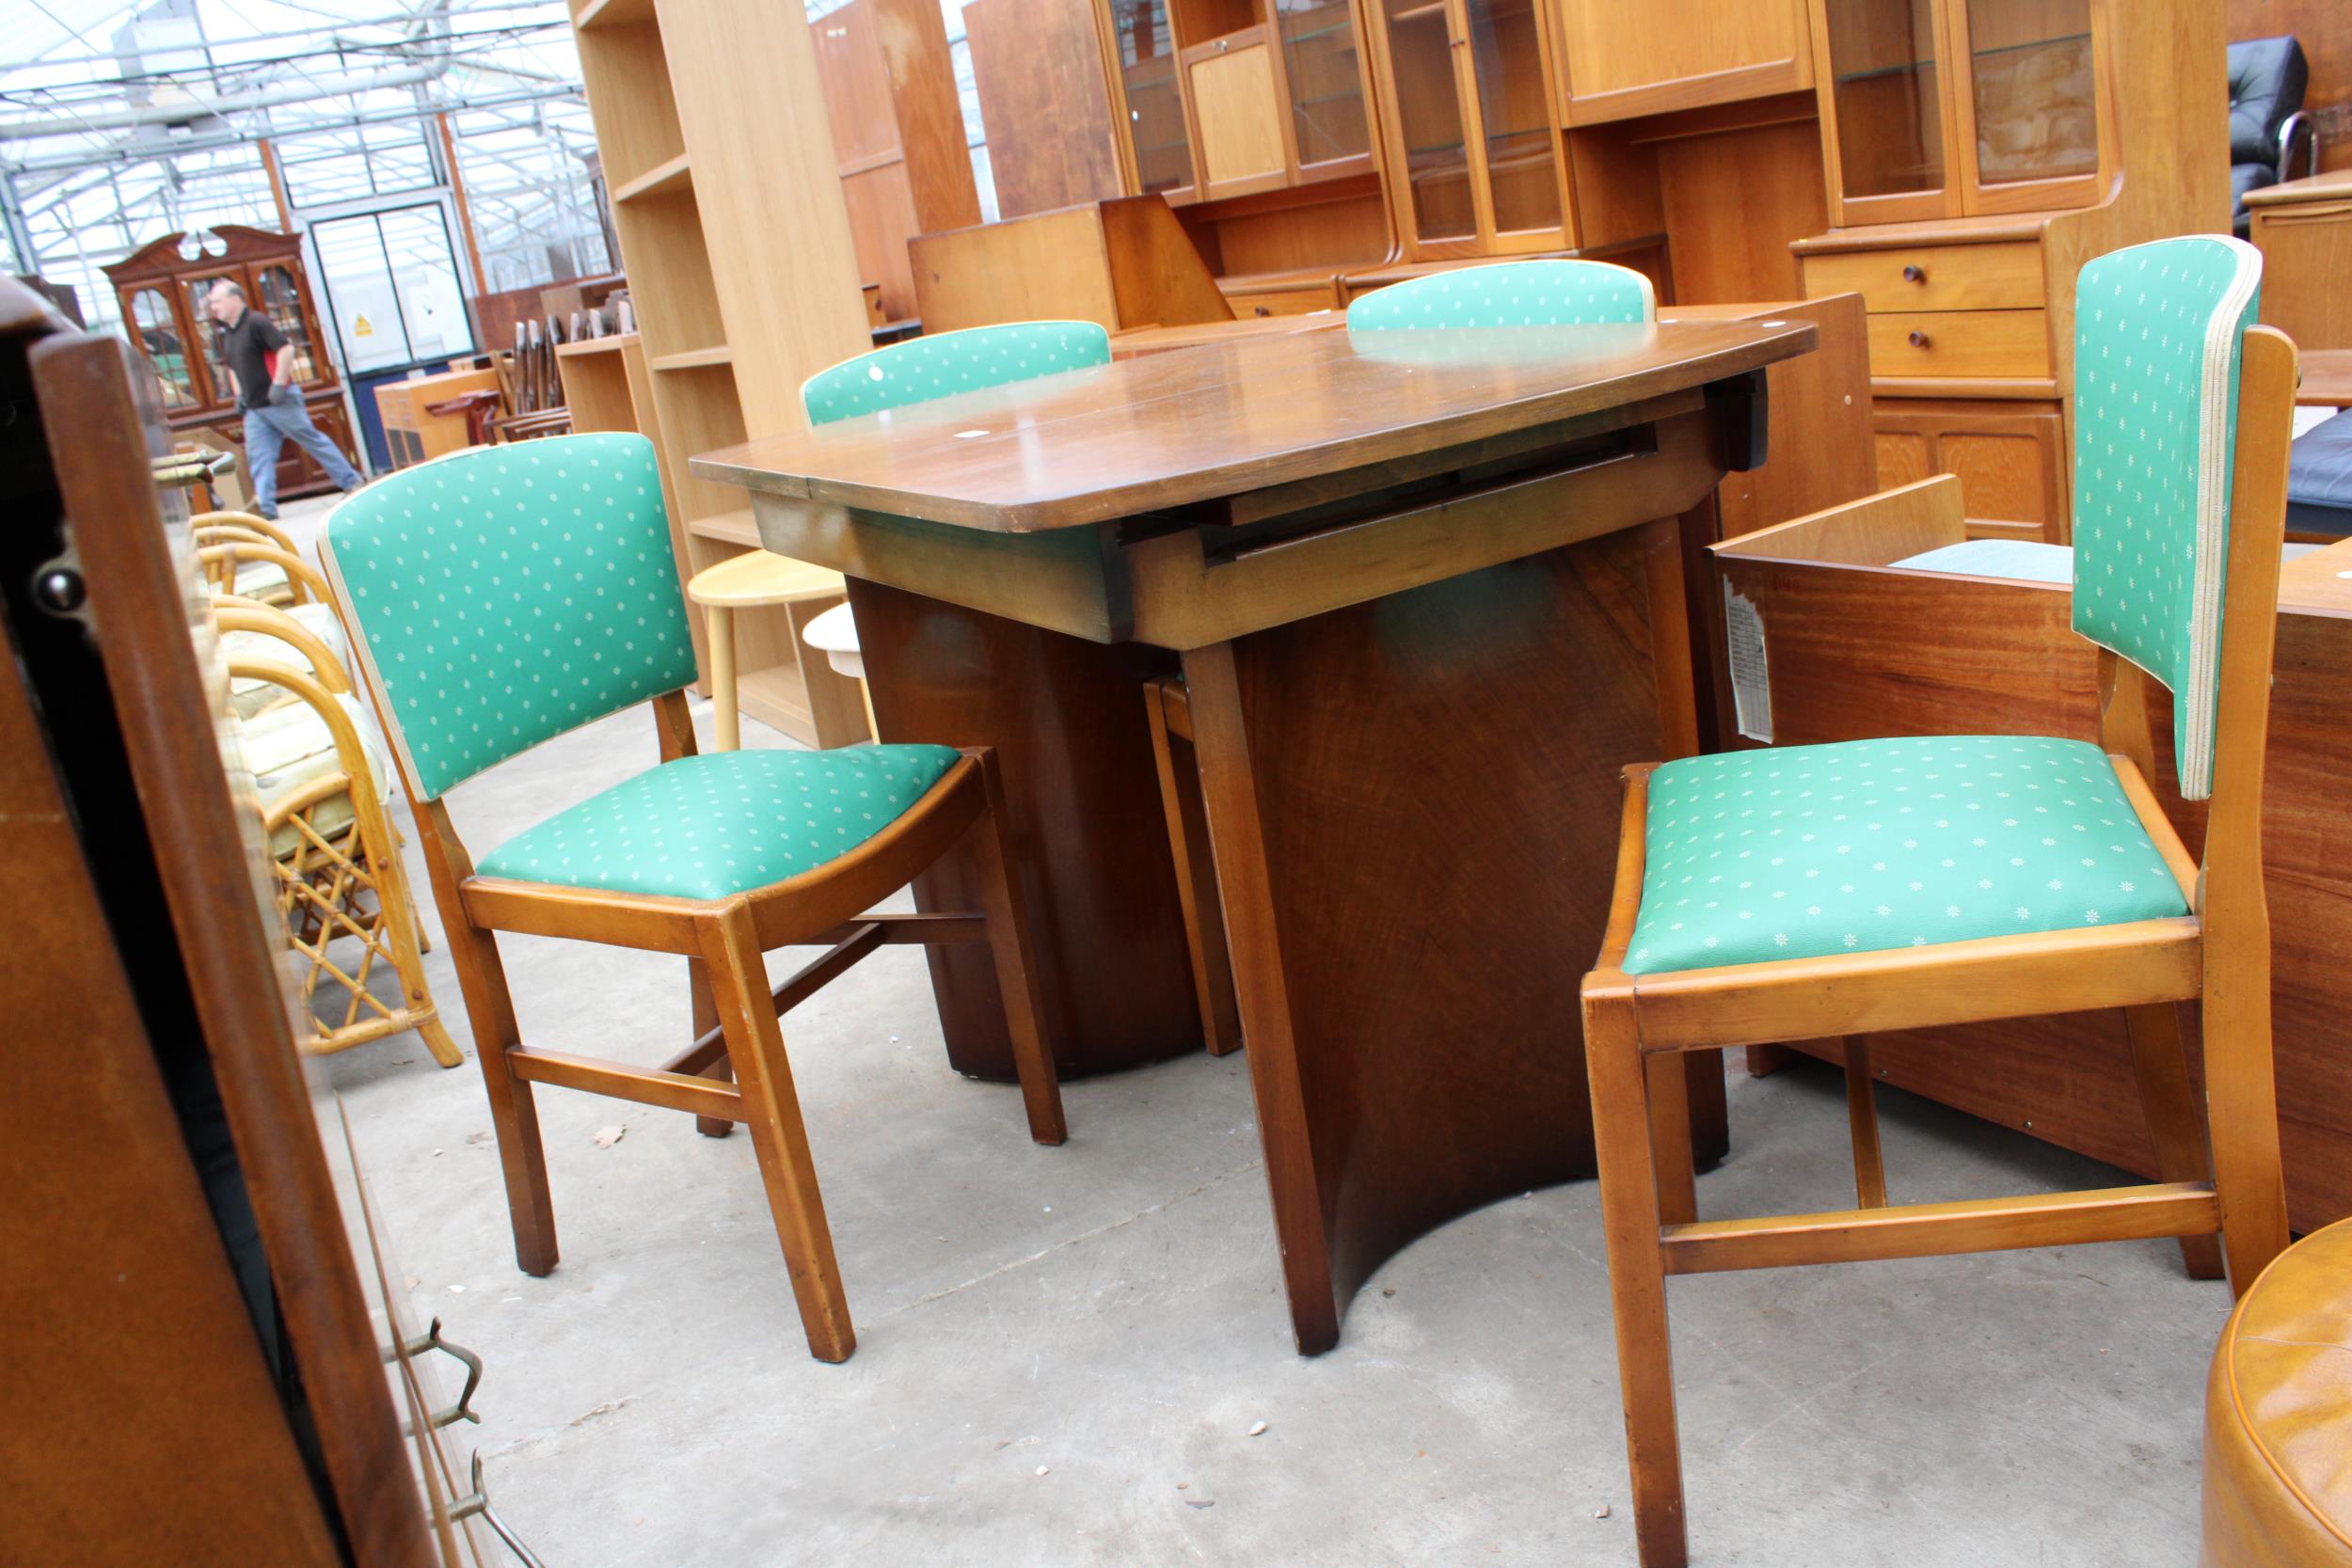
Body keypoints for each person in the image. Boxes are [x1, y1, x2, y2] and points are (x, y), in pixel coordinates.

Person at [205, 279, 362, 519]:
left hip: (280, 401)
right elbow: (233, 368)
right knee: (258, 456)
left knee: (311, 440)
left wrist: (278, 383)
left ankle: (351, 483)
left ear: (235, 299)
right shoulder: (229, 334)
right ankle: (266, 507)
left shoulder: (256, 322)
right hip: (255, 407)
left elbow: (286, 349)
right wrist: (239, 396)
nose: (213, 306)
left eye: (217, 301)